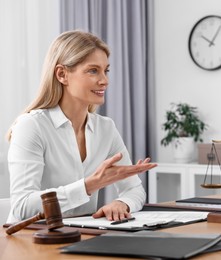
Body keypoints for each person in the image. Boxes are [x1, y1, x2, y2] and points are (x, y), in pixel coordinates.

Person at [6, 30, 157, 223]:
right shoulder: (31, 126)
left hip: (80, 237)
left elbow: (134, 189)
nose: (105, 80)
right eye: (93, 70)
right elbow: (23, 206)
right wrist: (88, 186)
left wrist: (122, 203)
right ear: (62, 74)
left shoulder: (106, 128)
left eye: (106, 70)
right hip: (30, 241)